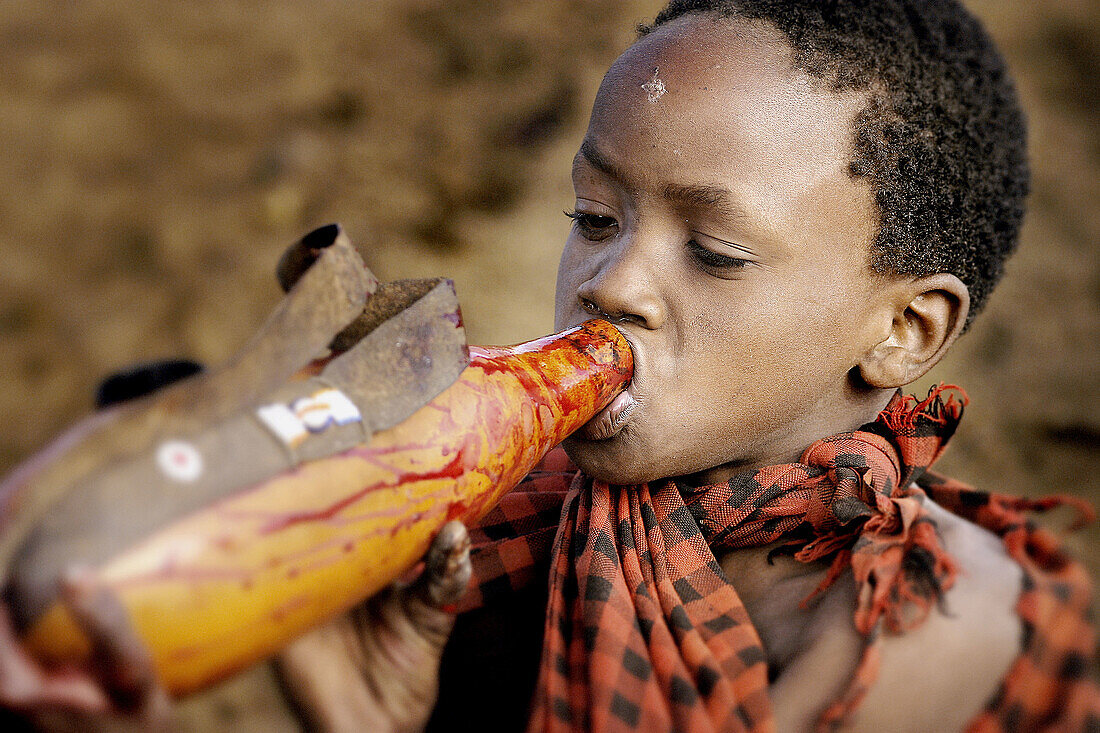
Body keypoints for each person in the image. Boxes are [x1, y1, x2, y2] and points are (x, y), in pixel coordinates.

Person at [2, 0, 1096, 731]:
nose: (610, 284)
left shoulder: (910, 631)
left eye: (712, 252)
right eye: (594, 214)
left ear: (902, 331)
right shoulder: (506, 519)